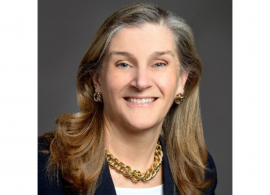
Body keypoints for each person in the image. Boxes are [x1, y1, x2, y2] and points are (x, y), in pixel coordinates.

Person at [38, 2, 217, 195]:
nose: (141, 82)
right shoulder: (43, 167)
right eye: (123, 64)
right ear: (97, 79)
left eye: (158, 64)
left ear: (182, 81)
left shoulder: (198, 171)